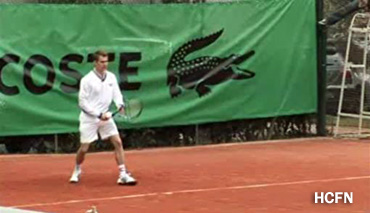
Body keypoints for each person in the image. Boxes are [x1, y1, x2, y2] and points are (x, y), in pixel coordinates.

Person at [69, 50, 137, 185]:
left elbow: (117, 94)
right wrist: (98, 115)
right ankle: (77, 168)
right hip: (90, 118)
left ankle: (123, 174)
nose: (105, 64)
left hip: (106, 116)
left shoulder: (111, 77)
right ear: (95, 63)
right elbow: (82, 102)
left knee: (117, 142)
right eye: (102, 62)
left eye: (106, 62)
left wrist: (120, 104)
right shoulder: (87, 80)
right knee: (84, 149)